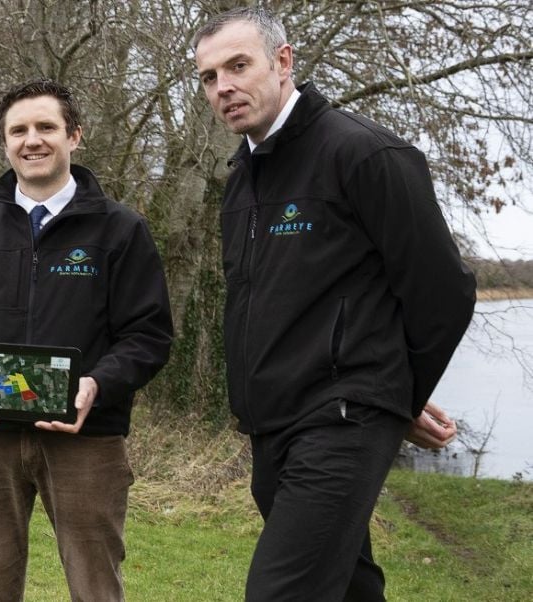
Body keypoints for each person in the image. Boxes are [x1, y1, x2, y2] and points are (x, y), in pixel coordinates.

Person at [193, 7, 476, 600]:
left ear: (283, 62)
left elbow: (443, 293)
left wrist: (397, 397)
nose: (224, 87)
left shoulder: (364, 154)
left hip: (342, 421)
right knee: (347, 586)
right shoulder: (241, 183)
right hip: (272, 428)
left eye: (238, 66)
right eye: (209, 76)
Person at [0, 80, 174, 602]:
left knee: (96, 586)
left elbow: (147, 335)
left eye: (46, 127)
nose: (32, 140)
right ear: (5, 142)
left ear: (74, 136)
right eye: (19, 130)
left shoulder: (120, 232)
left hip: (87, 438)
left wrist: (96, 385)